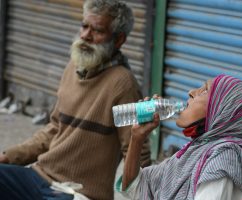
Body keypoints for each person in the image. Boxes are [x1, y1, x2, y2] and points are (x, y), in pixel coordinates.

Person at [0, 0, 151, 199]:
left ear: (118, 40)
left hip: (78, 193)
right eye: (84, 26)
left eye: (97, 30)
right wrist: (8, 156)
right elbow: (53, 129)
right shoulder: (74, 67)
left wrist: (150, 191)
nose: (86, 36)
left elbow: (137, 151)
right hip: (41, 177)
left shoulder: (124, 84)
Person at [116, 74, 242, 200]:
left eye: (205, 91)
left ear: (222, 109)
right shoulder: (194, 153)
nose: (191, 92)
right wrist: (137, 138)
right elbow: (133, 189)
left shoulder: (225, 158)